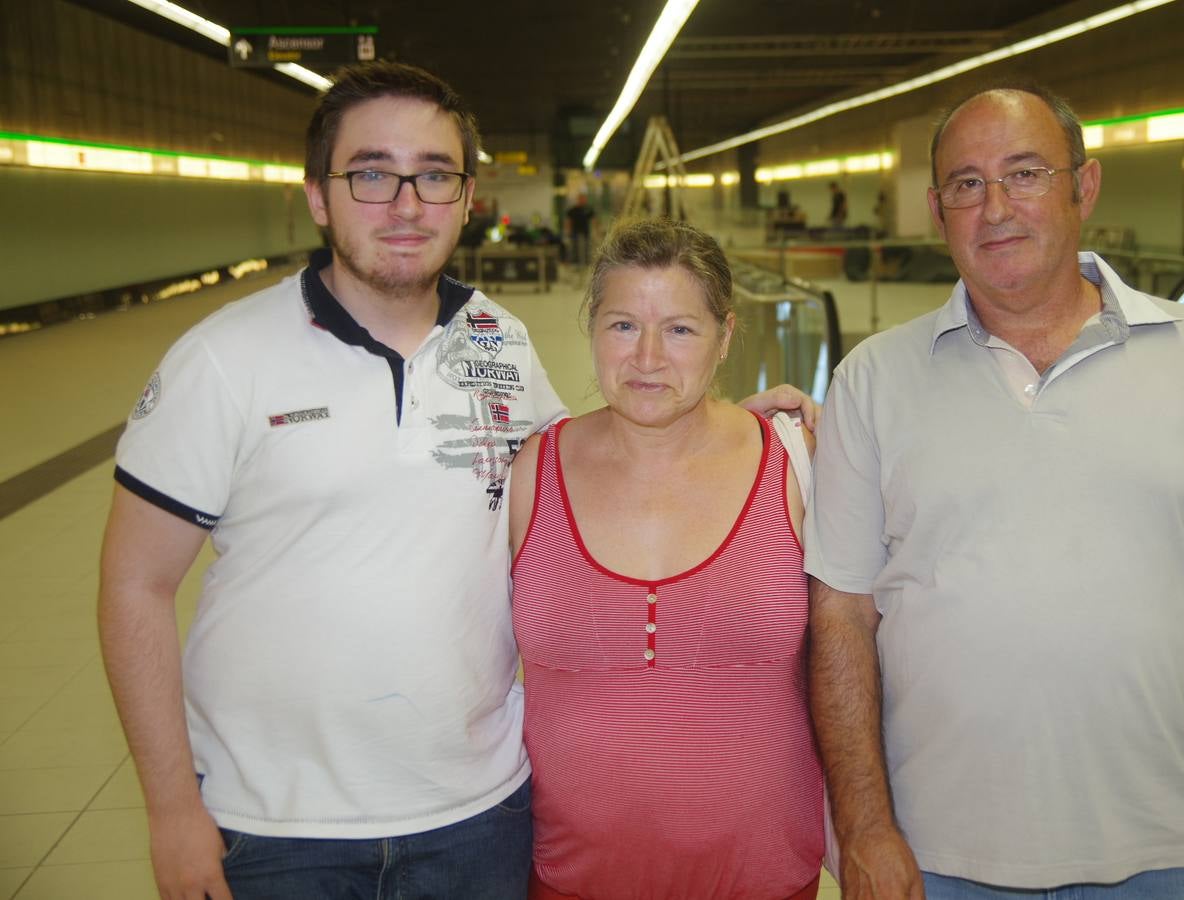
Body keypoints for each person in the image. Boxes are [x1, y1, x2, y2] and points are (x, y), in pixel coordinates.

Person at [98, 63, 810, 900]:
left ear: (468, 196)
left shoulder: (497, 343)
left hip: (479, 818)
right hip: (279, 829)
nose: (406, 204)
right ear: (318, 196)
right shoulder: (225, 358)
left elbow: (591, 452)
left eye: (434, 176)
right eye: (372, 173)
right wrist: (170, 806)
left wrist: (731, 423)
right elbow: (134, 586)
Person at [805, 83, 1184, 900]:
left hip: (1169, 849)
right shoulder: (873, 379)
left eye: (1025, 173)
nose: (995, 208)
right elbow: (840, 616)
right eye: (967, 184)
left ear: (1083, 188)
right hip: (938, 858)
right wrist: (864, 826)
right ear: (937, 208)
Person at [509, 218, 824, 900]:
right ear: (592, 330)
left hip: (764, 878)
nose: (648, 358)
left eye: (680, 330)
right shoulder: (531, 472)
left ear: (726, 337)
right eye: (623, 326)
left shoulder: (798, 465)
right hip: (571, 879)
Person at [566, 194, 596, 265]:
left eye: (584, 199)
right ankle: (575, 263)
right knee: (575, 247)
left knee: (586, 247)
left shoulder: (588, 209)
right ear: (578, 200)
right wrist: (568, 230)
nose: (583, 201)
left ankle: (586, 262)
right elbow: (568, 221)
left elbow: (594, 219)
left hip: (585, 231)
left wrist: (597, 230)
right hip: (575, 232)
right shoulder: (573, 210)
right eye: (581, 199)